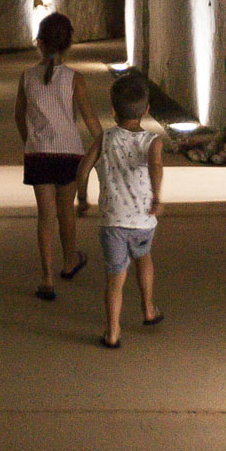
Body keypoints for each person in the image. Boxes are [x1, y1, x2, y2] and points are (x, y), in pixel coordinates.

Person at [15, 12, 103, 301]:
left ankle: (47, 279)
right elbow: (92, 124)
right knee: (66, 211)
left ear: (39, 42)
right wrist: (99, 148)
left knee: (45, 216)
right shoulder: (74, 79)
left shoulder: (26, 77)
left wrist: (30, 142)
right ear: (68, 44)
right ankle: (69, 261)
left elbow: (19, 116)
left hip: (38, 154)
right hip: (68, 153)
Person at [76, 72, 164, 347]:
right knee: (144, 258)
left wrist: (82, 198)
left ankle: (112, 331)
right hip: (143, 220)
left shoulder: (104, 138)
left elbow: (83, 169)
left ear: (113, 111)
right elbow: (155, 166)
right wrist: (156, 197)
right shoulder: (152, 141)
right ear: (146, 110)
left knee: (115, 277)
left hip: (112, 222)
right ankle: (148, 309)